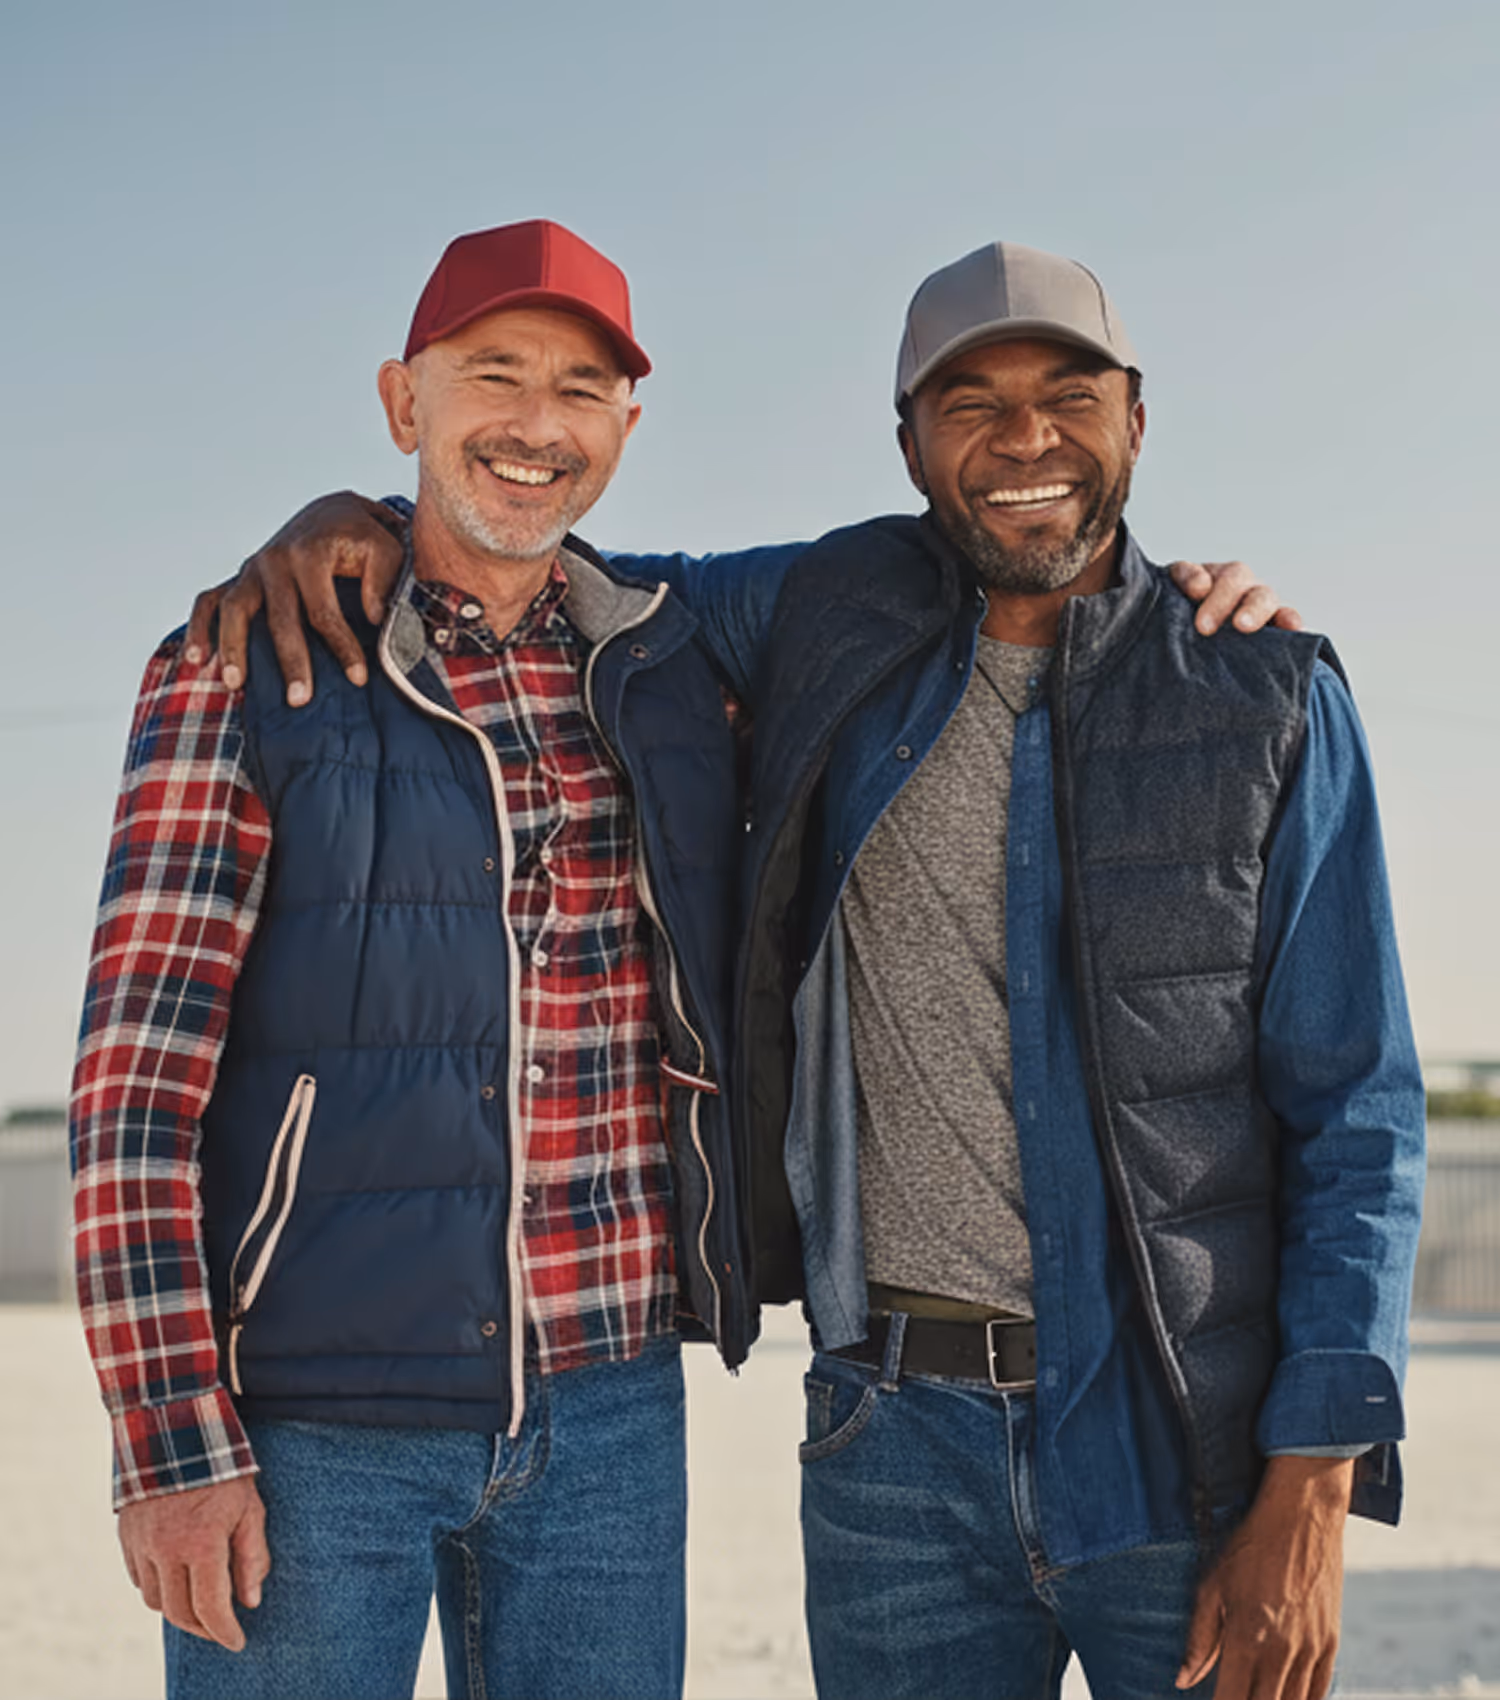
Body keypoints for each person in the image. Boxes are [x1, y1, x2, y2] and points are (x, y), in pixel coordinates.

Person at [188, 244, 1357, 1700]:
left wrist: (1315, 1482)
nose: (1025, 441)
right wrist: (344, 517)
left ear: (1136, 416)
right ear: (910, 442)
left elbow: (1354, 1110)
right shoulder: (822, 610)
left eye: (1069, 396)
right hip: (890, 1448)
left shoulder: (1259, 687)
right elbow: (530, 551)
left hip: (1177, 1443)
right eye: (969, 403)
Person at [69, 220, 761, 1700]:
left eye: (581, 389)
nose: (535, 424)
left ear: (626, 426)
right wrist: (169, 1445)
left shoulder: (669, 660)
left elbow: (922, 582)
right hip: (313, 1429)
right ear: (404, 404)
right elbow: (134, 1091)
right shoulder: (246, 668)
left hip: (613, 1415)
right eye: (492, 376)